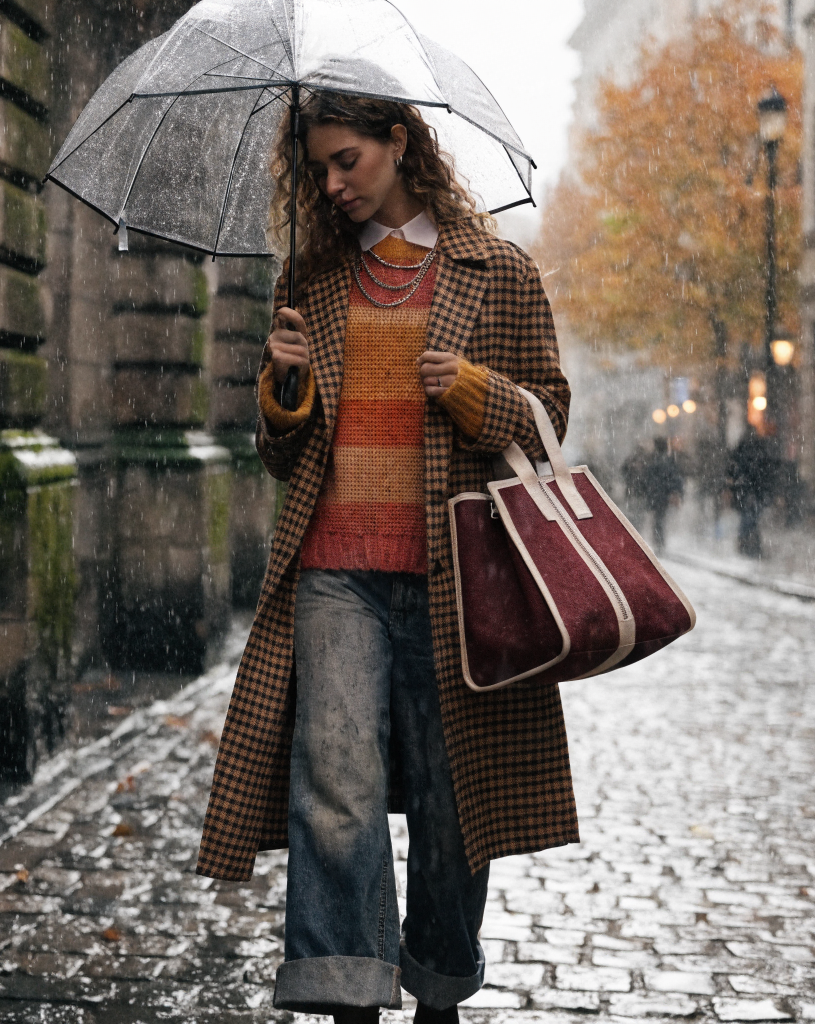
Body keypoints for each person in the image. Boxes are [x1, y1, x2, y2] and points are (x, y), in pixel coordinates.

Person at [196, 94, 576, 1024]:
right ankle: (349, 992)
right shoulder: (311, 283)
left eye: (348, 161)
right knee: (336, 790)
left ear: (400, 144)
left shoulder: (499, 272)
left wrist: (479, 391)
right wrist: (283, 389)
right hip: (335, 574)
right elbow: (285, 455)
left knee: (455, 803)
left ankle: (440, 982)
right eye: (319, 168)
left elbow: (548, 416)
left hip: (458, 578)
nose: (332, 185)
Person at [727, 425, 774, 558]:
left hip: (748, 491)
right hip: (754, 492)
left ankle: (746, 545)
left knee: (748, 518)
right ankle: (749, 546)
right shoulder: (759, 449)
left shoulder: (742, 450)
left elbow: (734, 471)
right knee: (751, 519)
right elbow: (765, 472)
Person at [641, 436, 684, 551]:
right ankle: (659, 540)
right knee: (660, 518)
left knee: (657, 518)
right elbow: (675, 477)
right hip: (663, 494)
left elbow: (647, 477)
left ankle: (658, 540)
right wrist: (675, 491)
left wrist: (647, 490)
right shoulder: (668, 460)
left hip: (655, 494)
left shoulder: (652, 459)